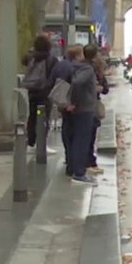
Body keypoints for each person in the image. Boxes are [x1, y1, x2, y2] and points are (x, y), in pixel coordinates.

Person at [65, 47, 99, 184]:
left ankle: (75, 169)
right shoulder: (87, 69)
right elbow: (77, 83)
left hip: (80, 108)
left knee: (76, 140)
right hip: (84, 109)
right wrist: (75, 102)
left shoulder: (75, 67)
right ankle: (79, 173)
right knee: (82, 141)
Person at [23, 34, 59, 152]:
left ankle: (31, 143)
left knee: (32, 117)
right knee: (44, 118)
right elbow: (54, 75)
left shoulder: (31, 57)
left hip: (32, 91)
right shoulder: (51, 59)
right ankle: (42, 144)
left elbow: (23, 60)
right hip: (45, 93)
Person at [51, 45, 83, 175]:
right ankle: (72, 163)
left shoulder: (59, 65)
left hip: (62, 103)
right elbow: (76, 86)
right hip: (72, 103)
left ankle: (68, 158)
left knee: (66, 130)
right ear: (77, 55)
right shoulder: (75, 68)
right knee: (75, 134)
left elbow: (52, 81)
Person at [84, 43, 109, 174]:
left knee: (85, 135)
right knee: (90, 135)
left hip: (81, 104)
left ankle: (87, 161)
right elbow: (105, 89)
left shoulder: (80, 66)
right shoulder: (96, 68)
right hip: (91, 105)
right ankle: (89, 162)